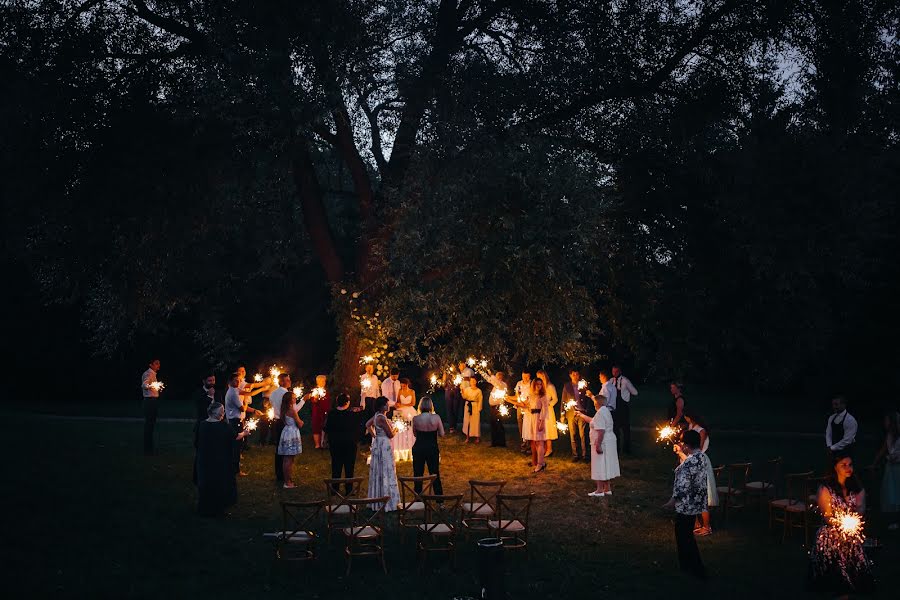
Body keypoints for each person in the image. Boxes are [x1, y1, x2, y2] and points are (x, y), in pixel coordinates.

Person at [808, 453, 874, 594]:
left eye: (850, 464)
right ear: (834, 467)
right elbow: (827, 517)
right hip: (829, 537)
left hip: (851, 537)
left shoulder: (858, 488)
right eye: (843, 465)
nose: (848, 468)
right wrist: (841, 523)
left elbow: (860, 511)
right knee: (834, 570)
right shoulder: (825, 489)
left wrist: (853, 522)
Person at [663, 429, 708, 580]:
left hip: (686, 505)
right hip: (696, 503)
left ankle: (694, 567)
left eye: (683, 443)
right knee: (686, 534)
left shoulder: (689, 463)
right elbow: (690, 465)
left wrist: (671, 502)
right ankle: (688, 566)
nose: (681, 445)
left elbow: (683, 486)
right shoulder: (701, 457)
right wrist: (681, 454)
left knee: (684, 536)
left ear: (687, 445)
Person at [196, 402, 249, 517]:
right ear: (217, 413)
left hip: (205, 460)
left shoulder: (203, 424)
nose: (224, 413)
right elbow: (235, 437)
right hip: (220, 461)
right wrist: (244, 433)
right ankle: (218, 510)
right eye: (222, 411)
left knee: (207, 483)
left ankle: (205, 508)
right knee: (219, 484)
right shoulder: (223, 426)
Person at [676, 410, 718, 536]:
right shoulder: (690, 428)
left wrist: (682, 451)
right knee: (691, 494)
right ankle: (695, 523)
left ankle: (706, 526)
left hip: (699, 463)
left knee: (702, 495)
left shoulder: (701, 430)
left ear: (690, 417)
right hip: (689, 460)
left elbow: (697, 448)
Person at [576, 390, 619, 496]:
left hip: (602, 442)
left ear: (597, 403)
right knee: (605, 465)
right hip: (609, 441)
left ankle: (599, 490)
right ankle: (607, 488)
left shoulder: (600, 413)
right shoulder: (605, 411)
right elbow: (593, 421)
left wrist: (598, 444)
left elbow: (601, 430)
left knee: (599, 465)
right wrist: (581, 415)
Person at [324, 393, 364, 495]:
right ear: (347, 402)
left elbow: (327, 428)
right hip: (349, 444)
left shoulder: (332, 413)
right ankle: (349, 489)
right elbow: (359, 428)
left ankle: (335, 488)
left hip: (335, 443)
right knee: (349, 467)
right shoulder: (352, 415)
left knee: (336, 465)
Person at [366, 397, 400, 511]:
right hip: (384, 444)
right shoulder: (382, 417)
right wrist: (396, 429)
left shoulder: (376, 415)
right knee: (386, 469)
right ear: (382, 406)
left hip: (378, 443)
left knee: (378, 469)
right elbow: (390, 434)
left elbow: (367, 424)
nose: (388, 406)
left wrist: (375, 436)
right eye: (386, 404)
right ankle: (387, 501)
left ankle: (378, 496)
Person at [872, 409, 900, 530]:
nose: (885, 422)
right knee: (892, 494)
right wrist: (874, 463)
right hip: (892, 468)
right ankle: (894, 520)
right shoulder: (889, 435)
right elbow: (884, 449)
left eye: (887, 420)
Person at [412, 396, 445, 495]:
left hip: (419, 447)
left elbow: (415, 434)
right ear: (431, 405)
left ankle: (418, 499)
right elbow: (442, 434)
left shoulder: (416, 418)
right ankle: (439, 500)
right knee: (435, 474)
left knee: (418, 474)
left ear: (420, 406)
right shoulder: (436, 417)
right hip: (432, 447)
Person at [192, 373, 218, 484]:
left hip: (215, 426)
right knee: (201, 453)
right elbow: (202, 409)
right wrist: (209, 396)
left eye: (213, 380)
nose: (212, 383)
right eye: (209, 381)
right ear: (204, 381)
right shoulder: (199, 393)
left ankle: (211, 476)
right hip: (202, 426)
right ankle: (197, 477)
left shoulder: (217, 392)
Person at [224, 373, 252, 476]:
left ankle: (234, 467)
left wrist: (261, 388)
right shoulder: (233, 393)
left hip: (234, 421)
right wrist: (245, 402)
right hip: (235, 421)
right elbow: (242, 409)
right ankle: (236, 470)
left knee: (237, 445)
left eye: (239, 380)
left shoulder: (234, 390)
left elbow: (247, 393)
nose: (238, 382)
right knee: (236, 445)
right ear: (230, 382)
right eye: (235, 380)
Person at [278, 388, 304, 489]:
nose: (295, 399)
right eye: (293, 398)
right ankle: (287, 482)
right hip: (292, 433)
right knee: (289, 459)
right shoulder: (292, 410)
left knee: (286, 459)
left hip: (286, 432)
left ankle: (287, 479)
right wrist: (301, 422)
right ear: (289, 400)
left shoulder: (283, 409)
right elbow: (299, 423)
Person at [562, 370, 589, 462]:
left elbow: (588, 398)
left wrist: (586, 410)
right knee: (573, 435)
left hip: (582, 413)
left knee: (583, 435)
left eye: (577, 374)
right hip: (571, 414)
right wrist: (562, 414)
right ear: (570, 375)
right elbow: (563, 400)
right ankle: (575, 455)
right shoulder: (567, 386)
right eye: (573, 374)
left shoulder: (583, 385)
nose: (575, 376)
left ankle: (585, 455)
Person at [523, 378, 549, 473]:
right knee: (536, 442)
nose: (539, 386)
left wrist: (542, 421)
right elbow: (528, 405)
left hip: (539, 418)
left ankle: (540, 464)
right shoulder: (531, 395)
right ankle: (541, 462)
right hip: (532, 418)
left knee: (540, 442)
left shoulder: (543, 396)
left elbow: (545, 409)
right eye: (537, 384)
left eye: (540, 384)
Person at [612, 365, 638, 454]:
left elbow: (635, 392)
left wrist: (626, 394)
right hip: (615, 408)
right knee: (615, 429)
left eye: (616, 372)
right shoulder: (611, 381)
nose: (614, 374)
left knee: (626, 430)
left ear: (619, 372)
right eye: (613, 372)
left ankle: (627, 449)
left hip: (624, 408)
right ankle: (617, 449)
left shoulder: (625, 381)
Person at [270, 373, 290, 482]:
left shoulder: (273, 394)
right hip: (284, 421)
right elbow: (291, 410)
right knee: (285, 448)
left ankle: (278, 473)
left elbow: (272, 404)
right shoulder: (286, 394)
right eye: (287, 380)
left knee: (278, 447)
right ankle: (283, 474)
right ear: (282, 382)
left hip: (276, 422)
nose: (289, 381)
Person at [390, 378, 416, 462]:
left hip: (410, 410)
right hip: (401, 410)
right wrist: (398, 405)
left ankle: (411, 443)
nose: (402, 387)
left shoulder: (412, 392)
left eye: (404, 386)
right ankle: (401, 444)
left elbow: (413, 403)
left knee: (411, 426)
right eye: (401, 386)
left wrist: (405, 405)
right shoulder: (400, 391)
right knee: (400, 427)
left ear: (407, 384)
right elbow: (398, 401)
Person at [825, 396, 858, 460]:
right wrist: (829, 446)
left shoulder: (850, 420)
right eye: (833, 404)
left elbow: (847, 440)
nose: (834, 407)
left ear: (843, 405)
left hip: (846, 454)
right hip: (833, 453)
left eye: (836, 404)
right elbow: (828, 433)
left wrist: (832, 448)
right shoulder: (831, 417)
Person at [140, 358, 161, 455]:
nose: (158, 365)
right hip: (150, 402)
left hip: (153, 401)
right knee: (149, 425)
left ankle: (149, 448)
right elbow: (144, 385)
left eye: (158, 363)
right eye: (156, 363)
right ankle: (148, 450)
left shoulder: (153, 374)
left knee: (151, 425)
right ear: (151, 365)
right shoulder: (148, 374)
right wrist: (152, 385)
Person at [536, 370, 558, 457]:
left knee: (548, 429)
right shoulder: (538, 387)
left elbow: (555, 399)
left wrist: (549, 404)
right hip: (539, 410)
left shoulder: (550, 386)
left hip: (548, 410)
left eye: (541, 376)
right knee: (541, 429)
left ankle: (549, 449)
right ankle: (543, 449)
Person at [486, 371, 509, 447]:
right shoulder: (495, 385)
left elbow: (494, 381)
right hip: (493, 407)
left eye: (497, 376)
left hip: (498, 407)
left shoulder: (502, 385)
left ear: (500, 377)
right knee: (493, 424)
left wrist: (491, 374)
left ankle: (501, 443)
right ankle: (494, 442)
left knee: (499, 424)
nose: (495, 378)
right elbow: (488, 379)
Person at [307, 374, 330, 450]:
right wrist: (315, 398)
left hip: (325, 411)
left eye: (324, 381)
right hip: (317, 412)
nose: (323, 382)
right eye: (321, 381)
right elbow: (313, 401)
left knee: (325, 426)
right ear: (317, 381)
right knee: (316, 426)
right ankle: (317, 445)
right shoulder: (315, 391)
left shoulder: (326, 391)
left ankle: (323, 443)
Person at [514, 371, 533, 453]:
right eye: (524, 376)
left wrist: (526, 402)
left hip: (528, 407)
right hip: (520, 405)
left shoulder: (532, 383)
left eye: (527, 377)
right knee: (520, 422)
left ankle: (529, 444)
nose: (525, 378)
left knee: (528, 425)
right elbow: (517, 393)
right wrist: (519, 401)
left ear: (529, 376)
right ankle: (523, 442)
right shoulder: (519, 383)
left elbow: (532, 395)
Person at [461, 375, 483, 443]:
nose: (472, 382)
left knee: (475, 421)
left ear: (476, 382)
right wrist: (462, 391)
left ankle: (477, 437)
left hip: (475, 406)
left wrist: (479, 408)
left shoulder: (479, 391)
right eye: (471, 381)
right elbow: (464, 397)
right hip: (468, 406)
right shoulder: (467, 389)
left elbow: (480, 400)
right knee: (467, 421)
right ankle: (467, 437)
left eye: (474, 381)